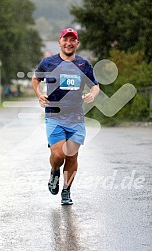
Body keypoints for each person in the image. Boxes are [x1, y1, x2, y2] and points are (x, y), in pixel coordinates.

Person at [32, 28, 100, 205]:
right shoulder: (48, 62)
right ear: (59, 42)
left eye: (72, 40)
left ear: (77, 43)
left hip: (76, 118)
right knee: (58, 155)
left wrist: (93, 94)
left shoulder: (84, 64)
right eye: (65, 39)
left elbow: (95, 85)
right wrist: (39, 94)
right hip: (54, 116)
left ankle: (66, 191)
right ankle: (54, 171)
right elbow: (35, 79)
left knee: (72, 156)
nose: (69, 43)